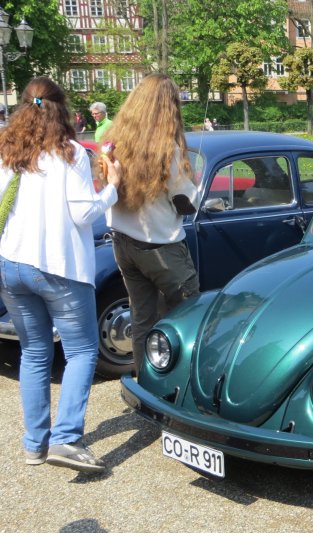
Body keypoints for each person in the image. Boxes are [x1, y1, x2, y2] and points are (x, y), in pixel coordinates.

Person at [0, 78, 120, 471]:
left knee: (33, 352)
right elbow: (84, 213)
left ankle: (35, 443)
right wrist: (113, 187)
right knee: (82, 351)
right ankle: (66, 439)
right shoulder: (70, 154)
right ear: (62, 110)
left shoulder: (6, 150)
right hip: (57, 266)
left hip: (11, 264)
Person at [104, 74, 199, 375]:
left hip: (123, 241)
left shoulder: (117, 143)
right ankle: (178, 381)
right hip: (160, 246)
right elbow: (184, 200)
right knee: (189, 312)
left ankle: (146, 379)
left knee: (142, 316)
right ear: (167, 107)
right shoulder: (166, 149)